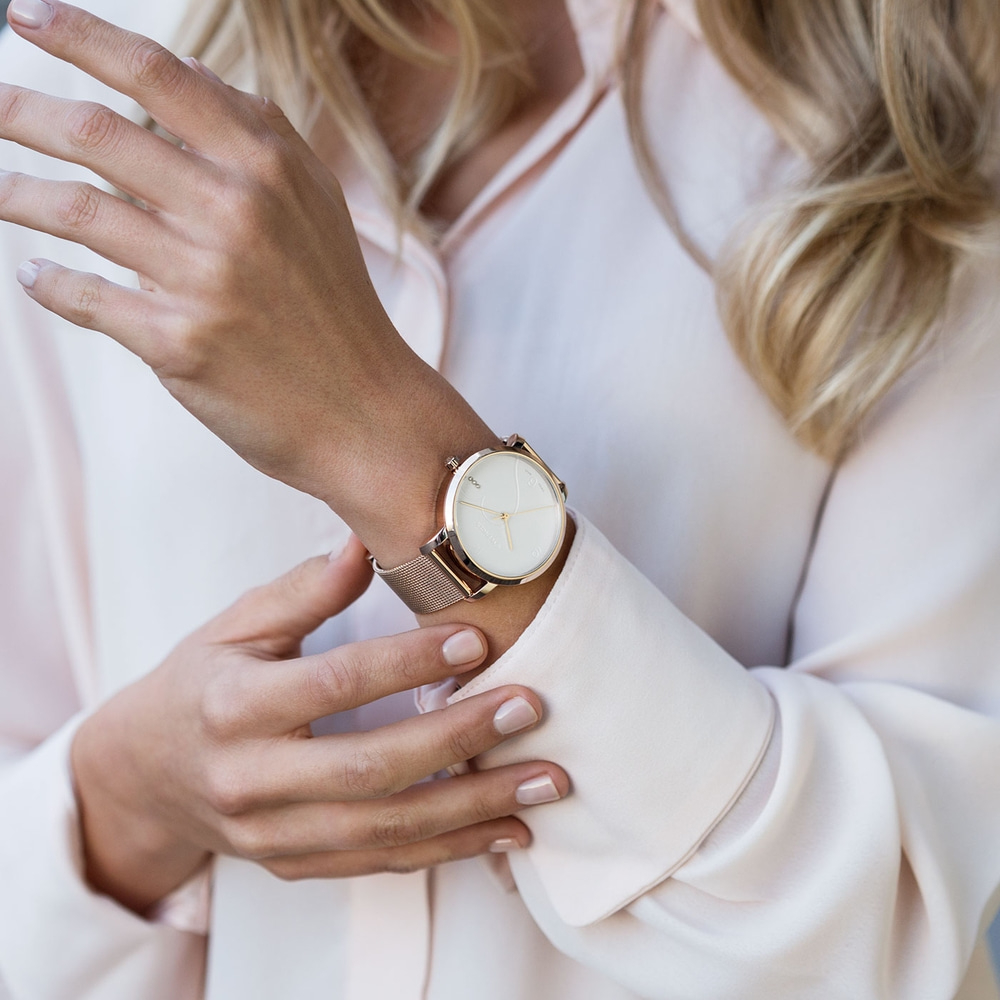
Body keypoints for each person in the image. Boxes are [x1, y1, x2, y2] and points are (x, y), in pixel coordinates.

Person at [0, 0, 998, 997]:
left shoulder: (917, 114)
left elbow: (900, 917)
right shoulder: (80, 92)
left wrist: (384, 441)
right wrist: (123, 800)